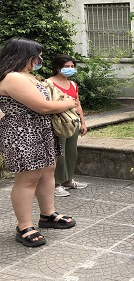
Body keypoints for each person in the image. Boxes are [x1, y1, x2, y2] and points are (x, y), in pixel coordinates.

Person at [0, 37, 77, 247]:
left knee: (47, 171)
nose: (39, 59)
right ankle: (24, 226)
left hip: (40, 130)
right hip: (22, 132)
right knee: (28, 179)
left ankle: (47, 215)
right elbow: (42, 106)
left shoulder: (28, 76)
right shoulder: (13, 77)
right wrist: (67, 103)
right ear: (23, 55)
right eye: (37, 55)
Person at [48, 54, 88, 197]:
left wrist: (83, 122)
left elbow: (78, 104)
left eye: (72, 66)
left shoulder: (73, 84)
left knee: (71, 152)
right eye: (67, 67)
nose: (70, 69)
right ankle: (56, 183)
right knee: (60, 153)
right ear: (58, 68)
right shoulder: (49, 83)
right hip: (58, 122)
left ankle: (68, 180)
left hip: (73, 121)